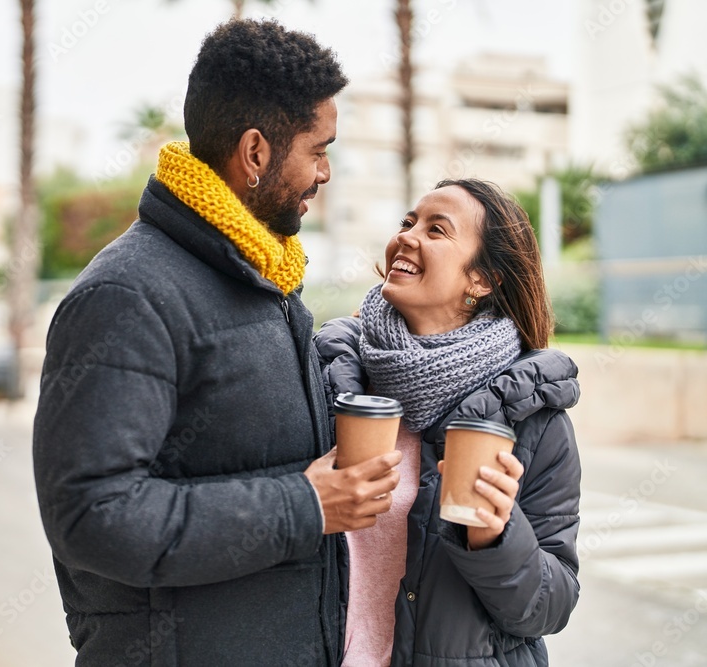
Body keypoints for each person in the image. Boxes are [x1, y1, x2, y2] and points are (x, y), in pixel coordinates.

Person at [33, 19, 402, 666]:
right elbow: (93, 515)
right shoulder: (125, 296)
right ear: (256, 152)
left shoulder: (268, 280)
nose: (326, 172)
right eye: (319, 149)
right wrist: (304, 505)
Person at [315, 179, 582, 666]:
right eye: (407, 222)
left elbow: (549, 607)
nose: (408, 236)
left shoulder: (534, 417)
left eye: (437, 230)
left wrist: (494, 536)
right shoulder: (331, 373)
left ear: (481, 281)